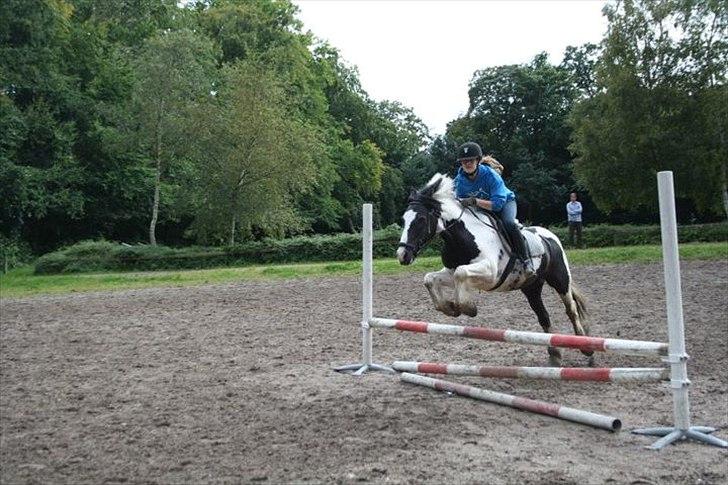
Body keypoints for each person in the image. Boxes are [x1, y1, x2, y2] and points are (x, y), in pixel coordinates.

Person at [454, 141, 533, 274]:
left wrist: (474, 201)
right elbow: (457, 200)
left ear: (478, 160)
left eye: (470, 160)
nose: (467, 164)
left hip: (505, 203)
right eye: (464, 161)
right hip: (481, 208)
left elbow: (497, 205)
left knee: (508, 223)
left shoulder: (491, 175)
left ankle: (525, 261)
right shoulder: (459, 180)